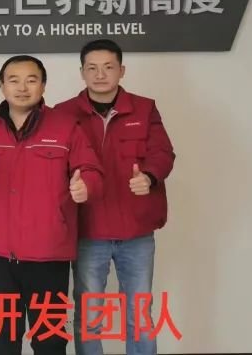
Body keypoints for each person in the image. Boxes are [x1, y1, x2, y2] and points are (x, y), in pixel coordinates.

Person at [0, 55, 104, 355]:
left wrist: (87, 186)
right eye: (14, 80)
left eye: (31, 80)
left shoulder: (66, 126)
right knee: (3, 339)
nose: (22, 88)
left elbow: (91, 169)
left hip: (48, 250)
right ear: (2, 85)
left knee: (50, 340)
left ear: (43, 85)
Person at [55, 39, 176, 355]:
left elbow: (163, 152)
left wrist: (149, 177)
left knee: (139, 316)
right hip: (88, 230)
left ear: (121, 70)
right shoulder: (63, 113)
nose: (100, 75)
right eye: (92, 68)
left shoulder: (144, 108)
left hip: (136, 230)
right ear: (81, 72)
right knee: (89, 317)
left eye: (108, 67)